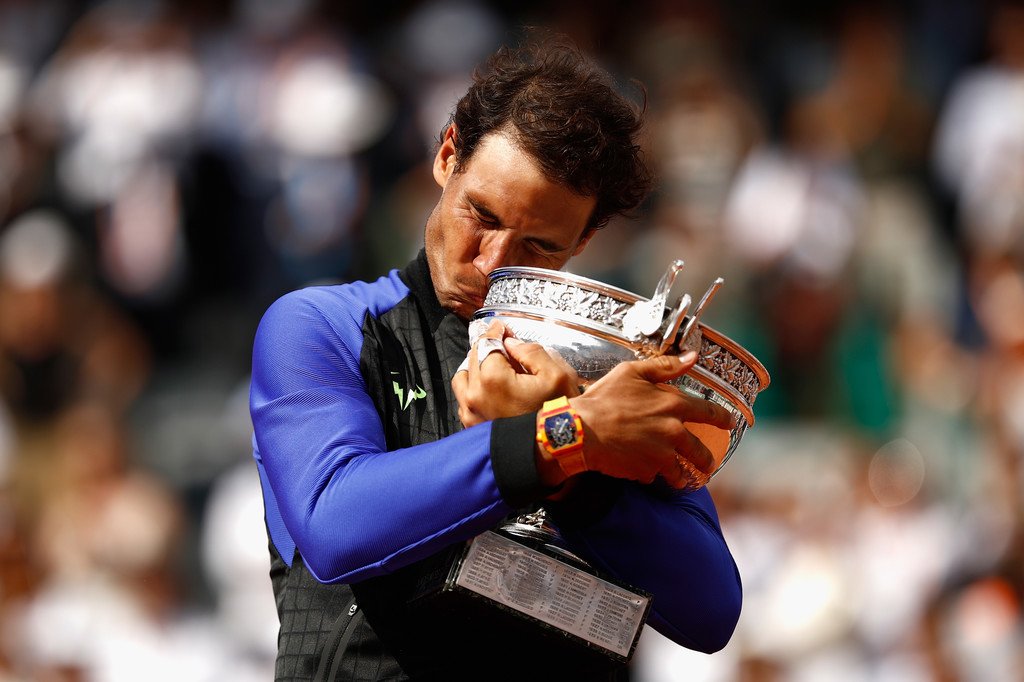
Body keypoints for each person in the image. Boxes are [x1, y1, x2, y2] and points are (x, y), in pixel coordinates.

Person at [249, 34, 742, 681]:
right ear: (447, 155)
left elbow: (711, 610)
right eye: (480, 215)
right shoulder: (324, 325)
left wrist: (577, 480)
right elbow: (336, 525)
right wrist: (564, 437)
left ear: (585, 238)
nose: (492, 263)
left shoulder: (613, 371)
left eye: (539, 245)